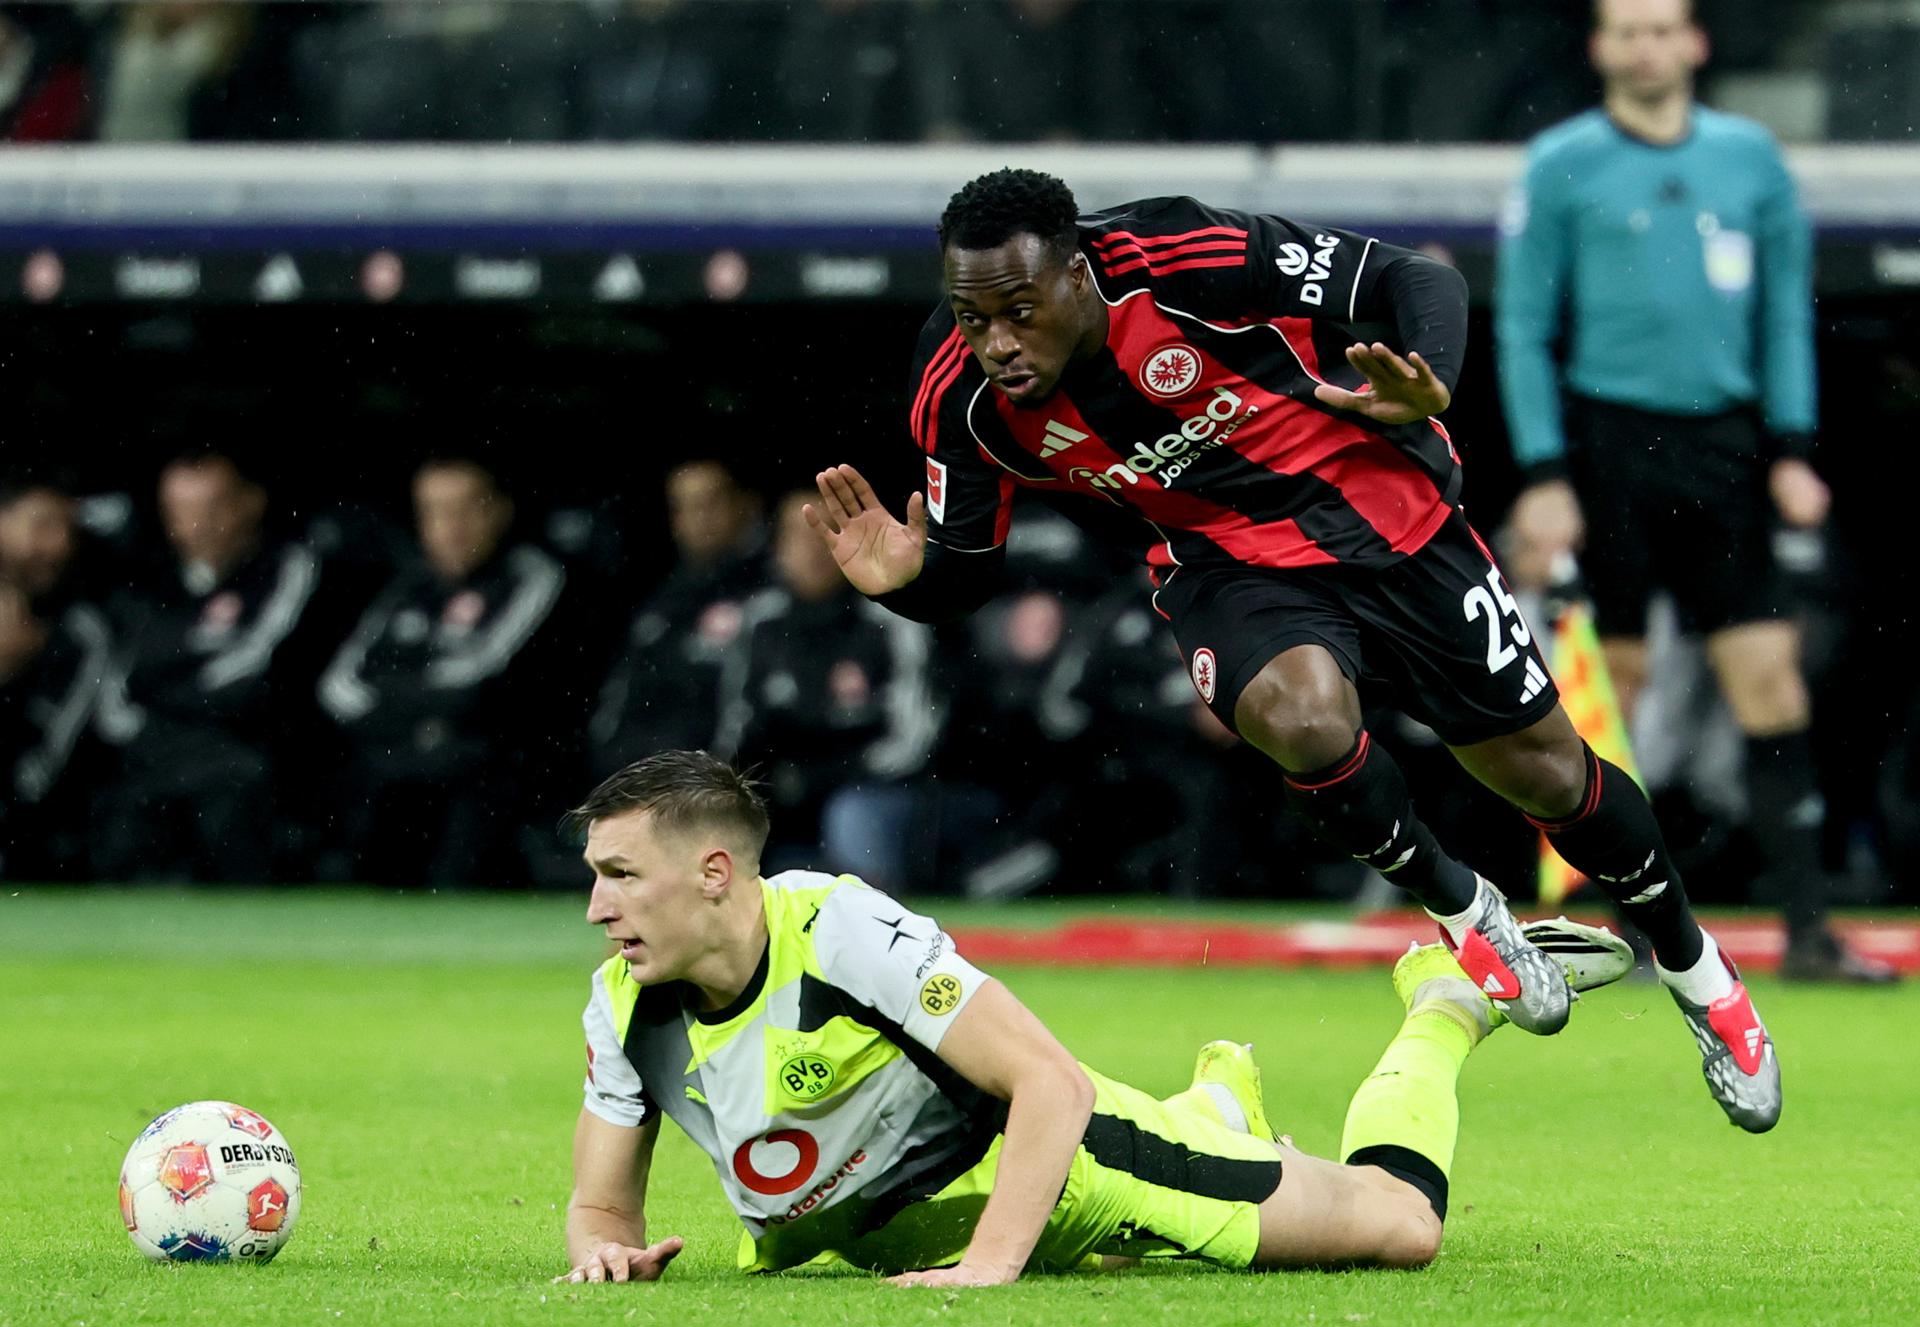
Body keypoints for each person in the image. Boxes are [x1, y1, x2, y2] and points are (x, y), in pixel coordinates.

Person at [804, 166, 1779, 1132]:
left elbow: (1416, 280)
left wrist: (1428, 376)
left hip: (1389, 517)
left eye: (1020, 310)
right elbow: (964, 574)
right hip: (1226, 565)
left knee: (1550, 774)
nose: (998, 344)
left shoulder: (1179, 256)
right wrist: (909, 584)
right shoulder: (955, 396)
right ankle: (1466, 910)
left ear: (1076, 274)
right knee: (1299, 716)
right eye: (974, 319)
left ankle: (1702, 975)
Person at [555, 750, 1632, 1285]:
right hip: (915, 1228)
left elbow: (1054, 1085)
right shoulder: (623, 1004)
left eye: (618, 874)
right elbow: (602, 1210)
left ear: (710, 872)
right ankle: (1216, 1101)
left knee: (1402, 1226)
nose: (598, 905)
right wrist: (606, 1255)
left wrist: (991, 1265)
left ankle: (1445, 1000)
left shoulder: (839, 931)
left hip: (1078, 1168)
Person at [1494, 0, 1893, 984]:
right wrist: (1545, 474)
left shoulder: (1752, 161)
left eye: (1662, 28)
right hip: (1607, 445)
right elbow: (1520, 327)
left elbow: (1782, 319)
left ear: (1695, 43)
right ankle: (1598, 933)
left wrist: (1793, 448)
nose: (1645, 47)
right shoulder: (1561, 164)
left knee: (1771, 681)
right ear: (1598, 49)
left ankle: (1806, 930)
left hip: (1724, 450)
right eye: (1626, 31)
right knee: (1605, 695)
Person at [318, 455, 567, 888]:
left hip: (489, 757)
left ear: (498, 511)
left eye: (464, 509)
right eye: (433, 511)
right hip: (396, 751)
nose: (450, 525)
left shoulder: (531, 575)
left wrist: (393, 700)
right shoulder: (408, 587)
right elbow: (338, 685)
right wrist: (416, 720)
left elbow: (482, 681)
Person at [94, 451, 322, 883]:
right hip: (156, 748)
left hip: (242, 746)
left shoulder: (284, 567)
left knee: (233, 785)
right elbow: (118, 682)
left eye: (212, 508)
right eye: (181, 511)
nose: (196, 525)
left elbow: (259, 668)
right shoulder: (148, 582)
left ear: (250, 503)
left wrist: (169, 690)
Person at [711, 490, 937, 889]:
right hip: (780, 791)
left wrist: (826, 777)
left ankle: (874, 925)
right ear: (777, 547)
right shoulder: (760, 625)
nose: (814, 549)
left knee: (851, 815)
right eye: (799, 535)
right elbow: (735, 731)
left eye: (827, 532)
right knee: (721, 814)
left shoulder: (889, 619)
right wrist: (763, 784)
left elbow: (915, 740)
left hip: (875, 790)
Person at [589, 458, 764, 776]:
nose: (699, 518)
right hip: (640, 779)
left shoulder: (772, 597)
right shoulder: (660, 603)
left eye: (710, 503)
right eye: (683, 507)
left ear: (745, 504)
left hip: (721, 787)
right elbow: (617, 709)